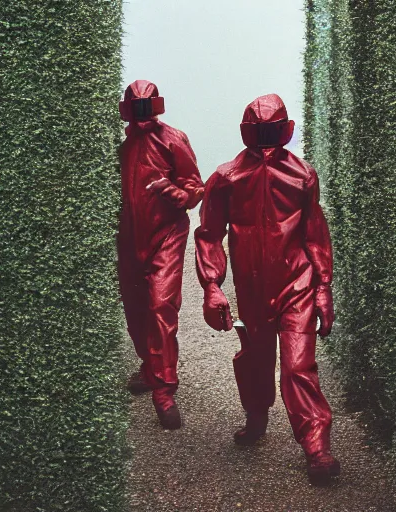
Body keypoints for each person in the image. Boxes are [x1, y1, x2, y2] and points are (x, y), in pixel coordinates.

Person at [195, 94, 339, 482]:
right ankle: (256, 415)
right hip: (253, 289)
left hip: (297, 283)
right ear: (246, 132)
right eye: (260, 131)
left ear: (285, 129)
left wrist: (322, 287)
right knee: (256, 359)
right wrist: (212, 285)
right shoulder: (225, 178)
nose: (266, 140)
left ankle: (317, 446)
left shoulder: (303, 175)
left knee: (298, 366)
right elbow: (208, 234)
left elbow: (315, 235)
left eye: (272, 130)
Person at [118, 80, 204, 430]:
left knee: (160, 306)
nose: (142, 116)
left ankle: (165, 392)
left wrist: (176, 193)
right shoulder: (121, 148)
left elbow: (196, 187)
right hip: (128, 238)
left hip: (166, 235)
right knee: (135, 307)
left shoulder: (173, 139)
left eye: (146, 108)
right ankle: (149, 366)